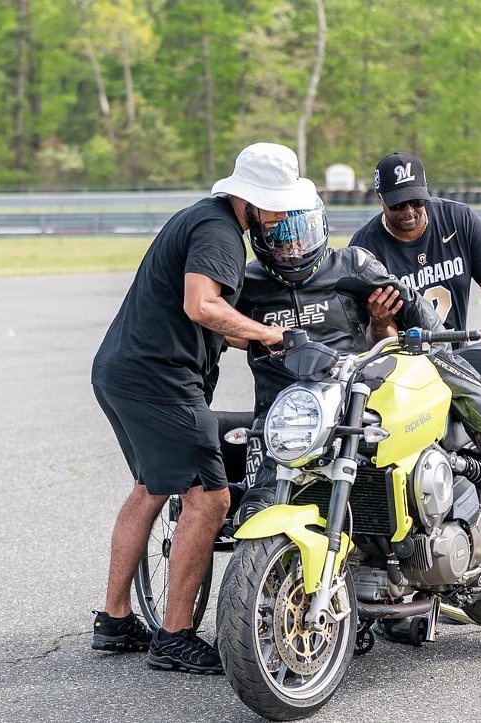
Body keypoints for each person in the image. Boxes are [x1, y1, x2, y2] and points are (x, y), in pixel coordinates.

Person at [90, 142, 318, 675]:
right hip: (159, 381)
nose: (283, 218)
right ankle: (175, 636)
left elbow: (200, 316)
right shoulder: (219, 232)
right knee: (210, 500)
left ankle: (115, 618)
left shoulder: (201, 218)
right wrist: (268, 332)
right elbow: (202, 305)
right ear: (255, 201)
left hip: (122, 372)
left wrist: (257, 340)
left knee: (152, 487)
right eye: (279, 207)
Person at [230, 196, 481, 514]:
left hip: (355, 393)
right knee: (254, 508)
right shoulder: (248, 282)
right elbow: (211, 328)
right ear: (260, 236)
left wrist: (415, 331)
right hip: (282, 413)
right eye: (283, 240)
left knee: (430, 355)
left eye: (302, 238)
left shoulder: (351, 263)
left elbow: (412, 304)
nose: (294, 249)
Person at [350, 151, 481, 356]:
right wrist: (379, 325)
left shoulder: (460, 220)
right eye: (398, 204)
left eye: (417, 201)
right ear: (380, 197)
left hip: (457, 357)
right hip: (403, 364)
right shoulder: (364, 251)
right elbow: (369, 338)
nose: (409, 211)